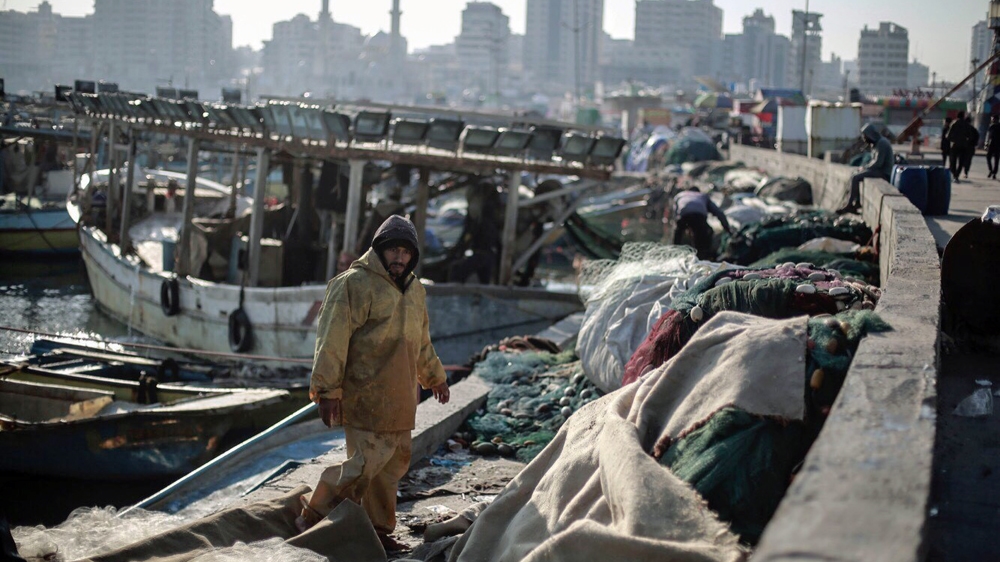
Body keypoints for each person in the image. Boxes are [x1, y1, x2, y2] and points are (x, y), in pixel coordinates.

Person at [298, 215, 450, 552]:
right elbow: (331, 341)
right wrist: (327, 390)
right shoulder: (352, 284)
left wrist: (435, 377)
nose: (399, 257)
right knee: (361, 466)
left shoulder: (416, 290)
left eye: (405, 252)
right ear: (379, 249)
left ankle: (379, 530)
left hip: (401, 399)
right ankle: (312, 515)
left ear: (413, 256)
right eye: (393, 249)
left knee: (390, 469)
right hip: (365, 396)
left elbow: (421, 341)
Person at [837, 124, 894, 214]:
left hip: (883, 172)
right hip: (878, 170)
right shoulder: (876, 143)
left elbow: (878, 163)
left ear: (870, 134)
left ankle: (850, 205)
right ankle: (856, 202)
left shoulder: (882, 143)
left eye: (865, 136)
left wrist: (865, 168)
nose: (864, 139)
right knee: (854, 174)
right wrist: (863, 168)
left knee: (855, 178)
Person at [671, 187, 732, 260]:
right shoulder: (703, 196)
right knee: (705, 236)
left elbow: (675, 213)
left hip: (683, 216)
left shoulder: (680, 195)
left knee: (678, 235)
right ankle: (703, 256)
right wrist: (727, 227)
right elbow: (718, 213)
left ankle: (674, 254)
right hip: (699, 217)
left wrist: (679, 226)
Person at [947, 111, 972, 182]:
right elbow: (970, 135)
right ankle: (957, 175)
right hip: (963, 146)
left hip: (954, 145)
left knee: (953, 161)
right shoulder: (966, 124)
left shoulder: (954, 123)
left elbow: (948, 136)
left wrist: (953, 140)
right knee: (961, 162)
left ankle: (954, 174)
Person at [987, 115, 1000, 179]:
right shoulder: (992, 126)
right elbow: (988, 135)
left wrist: (986, 144)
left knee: (994, 159)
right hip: (995, 145)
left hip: (994, 145)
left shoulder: (992, 126)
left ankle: (992, 172)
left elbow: (988, 136)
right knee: (994, 159)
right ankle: (992, 171)